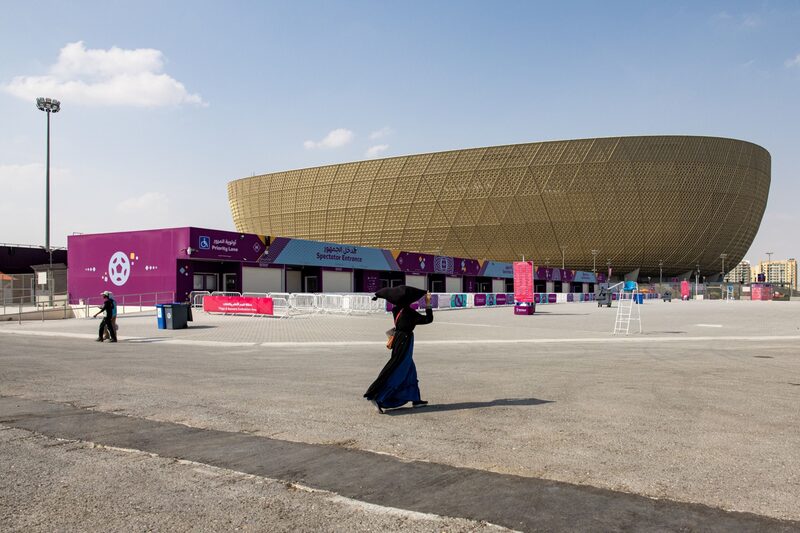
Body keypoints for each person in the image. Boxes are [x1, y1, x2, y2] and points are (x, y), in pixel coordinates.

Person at [364, 286, 433, 413]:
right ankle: (379, 397)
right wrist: (428, 303)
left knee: (410, 370)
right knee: (399, 370)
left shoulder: (397, 310)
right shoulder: (409, 312)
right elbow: (429, 319)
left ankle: (416, 399)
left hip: (399, 340)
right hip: (405, 342)